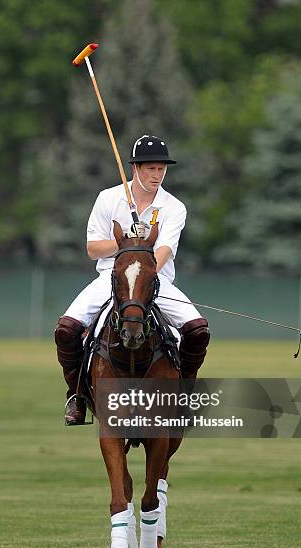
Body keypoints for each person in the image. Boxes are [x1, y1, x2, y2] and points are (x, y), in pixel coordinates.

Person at [55, 134, 210, 425]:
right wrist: (129, 244)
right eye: (151, 168)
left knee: (198, 329)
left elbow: (165, 249)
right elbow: (92, 249)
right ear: (135, 169)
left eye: (162, 168)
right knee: (66, 329)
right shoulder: (109, 198)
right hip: (111, 278)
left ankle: (185, 395)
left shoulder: (174, 207)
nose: (157, 174)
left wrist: (145, 265)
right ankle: (76, 395)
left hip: (155, 279)